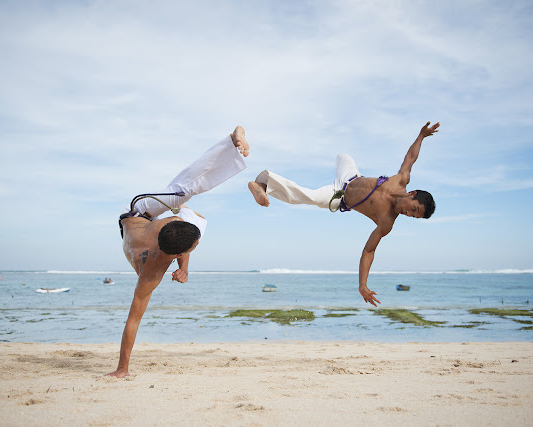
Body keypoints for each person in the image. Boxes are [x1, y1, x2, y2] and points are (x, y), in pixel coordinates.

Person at [106, 126, 250, 378]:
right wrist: (121, 369)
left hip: (140, 211)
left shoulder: (160, 239)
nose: (194, 248)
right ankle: (226, 150)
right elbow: (133, 321)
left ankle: (231, 140)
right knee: (191, 207)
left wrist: (184, 267)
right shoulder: (155, 259)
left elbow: (134, 319)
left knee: (184, 193)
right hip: (139, 225)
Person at [248, 121, 439, 307]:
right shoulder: (401, 180)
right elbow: (411, 157)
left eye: (413, 216)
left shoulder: (387, 221)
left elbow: (369, 251)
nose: (408, 213)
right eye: (414, 209)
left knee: (310, 197)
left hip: (338, 196)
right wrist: (421, 135)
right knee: (343, 155)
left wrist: (362, 285)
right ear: (411, 194)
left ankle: (263, 185)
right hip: (350, 176)